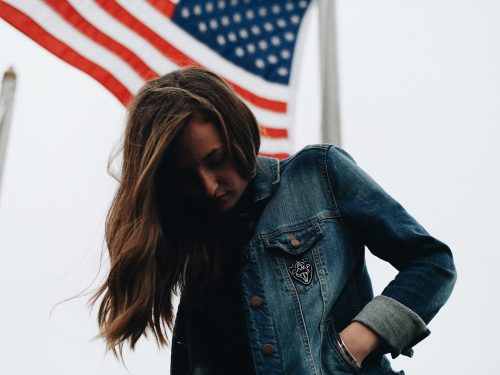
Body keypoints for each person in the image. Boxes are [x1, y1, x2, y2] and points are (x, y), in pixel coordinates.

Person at [91, 67, 456, 375]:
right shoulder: (197, 255)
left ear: (237, 133)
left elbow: (432, 263)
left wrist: (354, 344)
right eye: (187, 176)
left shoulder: (319, 175)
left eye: (215, 159)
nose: (209, 186)